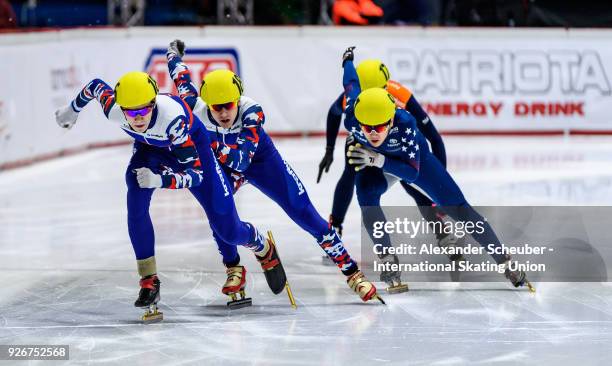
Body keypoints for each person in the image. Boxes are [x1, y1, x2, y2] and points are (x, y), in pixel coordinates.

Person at [54, 71, 288, 321]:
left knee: (227, 229)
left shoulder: (173, 119)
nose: (138, 118)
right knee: (134, 188)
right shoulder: (113, 109)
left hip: (192, 151)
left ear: (154, 103)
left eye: (144, 110)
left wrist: (160, 180)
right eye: (131, 113)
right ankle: (148, 280)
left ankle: (261, 245)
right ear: (121, 109)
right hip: (151, 150)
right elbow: (95, 86)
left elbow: (196, 175)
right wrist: (72, 110)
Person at [165, 40, 383, 304]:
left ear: (238, 100)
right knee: (217, 213)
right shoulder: (195, 107)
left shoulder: (251, 112)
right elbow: (181, 77)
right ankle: (235, 267)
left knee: (306, 214)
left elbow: (241, 161)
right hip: (226, 163)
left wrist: (206, 143)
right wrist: (173, 54)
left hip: (259, 161)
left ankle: (352, 273)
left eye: (228, 105)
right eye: (216, 107)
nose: (222, 112)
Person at [340, 47, 534, 292]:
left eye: (380, 126)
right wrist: (347, 60)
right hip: (374, 162)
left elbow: (411, 175)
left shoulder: (405, 123)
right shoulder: (351, 117)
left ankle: (505, 261)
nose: (374, 133)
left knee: (460, 209)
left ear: (391, 118)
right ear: (358, 118)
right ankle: (387, 258)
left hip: (409, 160)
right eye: (368, 128)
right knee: (366, 195)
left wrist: (379, 160)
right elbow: (349, 80)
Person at [317, 57, 462, 291]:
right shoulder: (356, 99)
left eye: (383, 91)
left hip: (394, 142)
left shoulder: (398, 93)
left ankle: (440, 227)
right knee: (352, 172)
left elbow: (433, 137)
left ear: (388, 86)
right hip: (366, 141)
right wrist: (330, 149)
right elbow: (335, 113)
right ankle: (336, 228)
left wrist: (438, 187)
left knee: (409, 179)